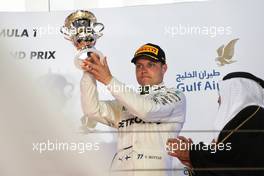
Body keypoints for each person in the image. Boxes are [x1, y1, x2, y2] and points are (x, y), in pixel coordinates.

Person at [77, 43, 186, 176]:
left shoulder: (174, 95)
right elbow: (91, 110)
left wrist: (109, 80)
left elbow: (146, 110)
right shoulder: (126, 102)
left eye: (150, 64)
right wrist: (90, 69)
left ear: (164, 68)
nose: (143, 70)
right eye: (139, 66)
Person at [167, 72, 264, 176]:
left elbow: (225, 159)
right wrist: (194, 162)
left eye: (223, 96)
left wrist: (192, 153)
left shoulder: (253, 117)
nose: (218, 99)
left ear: (238, 94)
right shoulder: (247, 119)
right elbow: (228, 163)